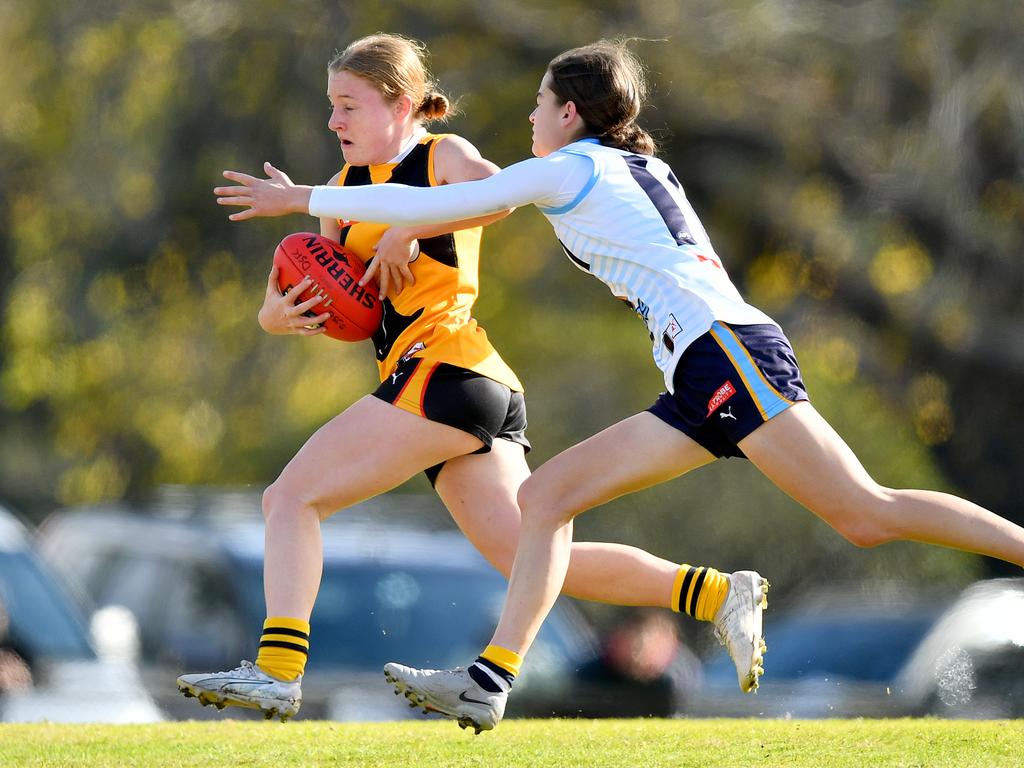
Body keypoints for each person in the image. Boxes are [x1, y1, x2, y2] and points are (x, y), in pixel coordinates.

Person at [214, 38, 1024, 733]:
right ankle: (496, 678)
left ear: (569, 113)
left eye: (539, 103)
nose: (528, 116)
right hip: (697, 367)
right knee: (548, 500)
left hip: (724, 353)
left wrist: (298, 199)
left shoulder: (567, 169)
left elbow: (470, 199)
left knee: (865, 514)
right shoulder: (624, 164)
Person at [184, 34, 767, 722]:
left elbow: (502, 198)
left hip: (447, 368)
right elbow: (294, 297)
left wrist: (412, 222)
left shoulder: (441, 155)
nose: (334, 123)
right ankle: (716, 594)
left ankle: (278, 672)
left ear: (401, 106)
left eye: (349, 106)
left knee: (290, 499)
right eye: (331, 108)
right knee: (533, 558)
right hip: (463, 385)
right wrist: (277, 315)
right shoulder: (339, 195)